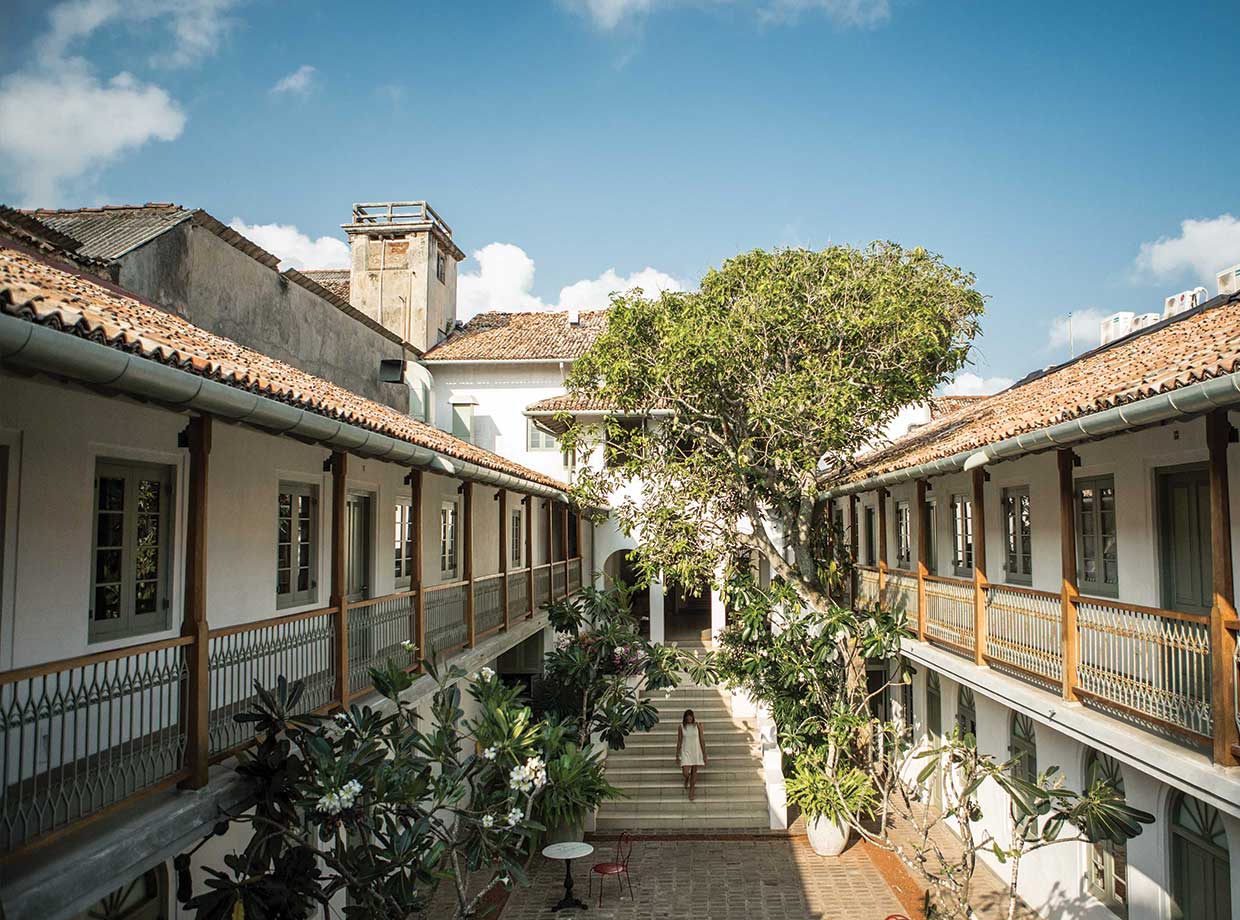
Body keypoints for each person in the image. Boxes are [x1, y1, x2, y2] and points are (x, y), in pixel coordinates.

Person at [675, 709, 708, 801]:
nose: (689, 718)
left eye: (691, 716)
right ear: (685, 718)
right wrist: (677, 754)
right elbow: (679, 741)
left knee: (694, 772)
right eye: (687, 717)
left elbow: (702, 739)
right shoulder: (681, 727)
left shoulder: (698, 725)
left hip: (696, 751)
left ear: (693, 717)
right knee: (685, 772)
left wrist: (704, 753)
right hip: (686, 752)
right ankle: (687, 778)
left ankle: (691, 791)